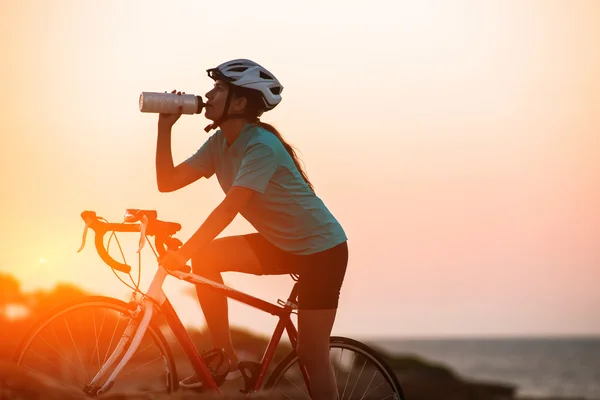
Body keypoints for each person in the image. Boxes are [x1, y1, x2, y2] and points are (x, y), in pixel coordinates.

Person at [156, 59, 348, 400]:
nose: (208, 95)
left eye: (219, 89)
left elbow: (230, 208)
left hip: (322, 250)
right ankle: (223, 357)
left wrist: (181, 253)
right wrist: (164, 126)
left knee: (311, 356)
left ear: (241, 103)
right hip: (280, 244)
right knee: (206, 258)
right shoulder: (219, 144)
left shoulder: (261, 145)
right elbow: (167, 182)